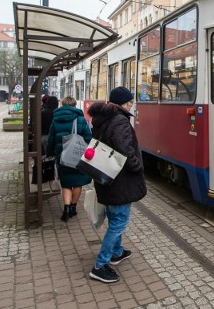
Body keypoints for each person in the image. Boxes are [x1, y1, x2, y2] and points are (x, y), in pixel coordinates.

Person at [86, 86, 146, 284]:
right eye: (129, 101)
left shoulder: (103, 118)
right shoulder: (120, 120)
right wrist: (137, 166)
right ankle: (100, 265)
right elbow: (125, 149)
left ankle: (117, 252)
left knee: (114, 216)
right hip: (120, 181)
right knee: (119, 222)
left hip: (107, 177)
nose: (131, 105)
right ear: (122, 103)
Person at [46, 96, 93, 221]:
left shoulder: (55, 120)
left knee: (66, 182)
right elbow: (89, 138)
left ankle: (66, 209)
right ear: (74, 105)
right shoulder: (80, 119)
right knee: (77, 182)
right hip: (77, 155)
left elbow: (51, 139)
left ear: (62, 105)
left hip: (62, 157)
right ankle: (73, 207)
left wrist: (49, 152)